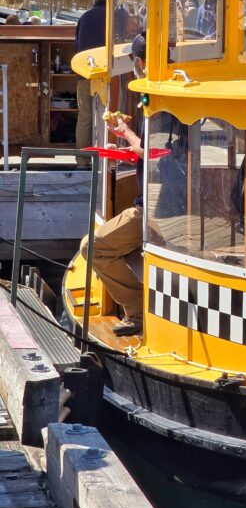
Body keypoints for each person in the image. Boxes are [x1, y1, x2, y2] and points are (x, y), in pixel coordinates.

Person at [78, 32, 147, 337]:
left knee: (92, 248)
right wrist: (128, 144)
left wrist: (125, 133)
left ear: (140, 62)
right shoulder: (157, 99)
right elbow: (155, 154)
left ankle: (138, 311)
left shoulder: (159, 100)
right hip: (162, 203)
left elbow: (150, 151)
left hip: (156, 210)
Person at [74, 0, 107, 168]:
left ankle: (82, 161)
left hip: (84, 71)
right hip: (107, 73)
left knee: (85, 118)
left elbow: (77, 44)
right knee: (108, 116)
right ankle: (105, 160)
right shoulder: (115, 17)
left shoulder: (85, 17)